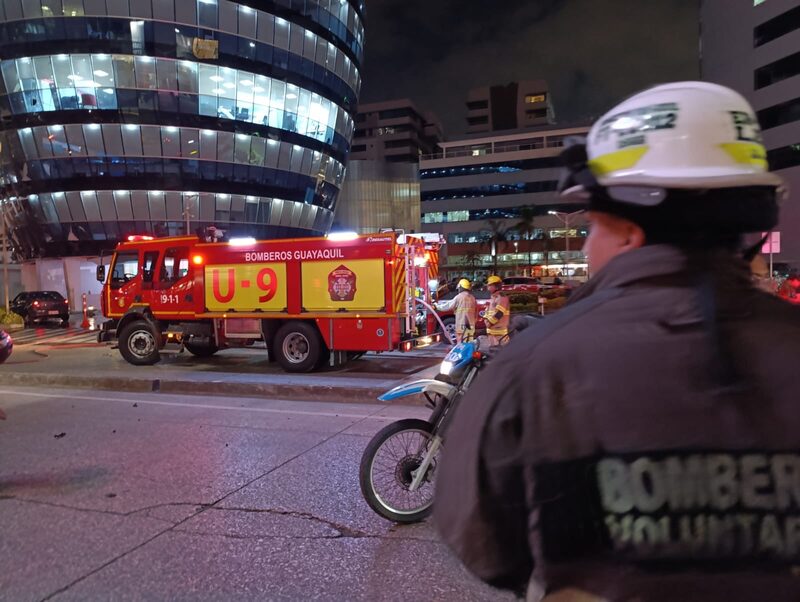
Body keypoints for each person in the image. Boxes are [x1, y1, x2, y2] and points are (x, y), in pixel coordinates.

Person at [434, 81, 800, 602]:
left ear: (628, 229)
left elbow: (484, 544)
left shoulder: (532, 368)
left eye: (591, 227)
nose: (585, 246)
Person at [436, 278, 477, 343]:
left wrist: (436, 306)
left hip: (461, 325)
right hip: (471, 325)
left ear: (460, 287)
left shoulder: (459, 297)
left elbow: (447, 306)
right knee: (469, 342)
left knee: (461, 342)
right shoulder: (472, 298)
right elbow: (475, 312)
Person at [484, 275, 511, 346]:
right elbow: (487, 312)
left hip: (500, 334)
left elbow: (499, 313)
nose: (487, 287)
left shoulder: (502, 297)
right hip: (491, 333)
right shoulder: (492, 298)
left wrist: (489, 323)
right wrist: (485, 320)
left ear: (496, 286)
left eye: (490, 285)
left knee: (503, 353)